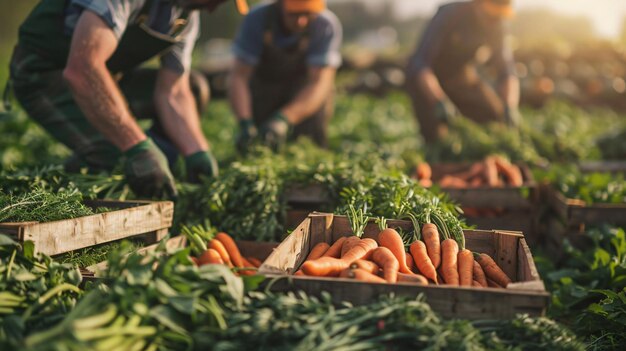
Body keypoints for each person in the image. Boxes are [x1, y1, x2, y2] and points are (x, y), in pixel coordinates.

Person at [8, 0, 250, 199]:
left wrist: (198, 152)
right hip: (43, 75)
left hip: (104, 78)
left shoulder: (184, 18)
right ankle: (63, 193)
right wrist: (135, 145)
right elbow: (82, 68)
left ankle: (157, 172)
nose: (213, 8)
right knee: (115, 153)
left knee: (194, 87)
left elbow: (174, 92)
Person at [228, 0, 342, 152]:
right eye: (294, 14)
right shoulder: (257, 19)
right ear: (279, 5)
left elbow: (319, 83)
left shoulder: (325, 25)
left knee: (308, 148)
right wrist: (244, 122)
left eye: (307, 14)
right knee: (261, 145)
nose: (301, 22)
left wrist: (283, 119)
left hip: (305, 93)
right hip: (265, 88)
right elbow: (239, 77)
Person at [405, 0, 520, 144]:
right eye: (490, 16)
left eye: (498, 17)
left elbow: (507, 70)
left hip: (460, 76)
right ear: (478, 4)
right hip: (428, 80)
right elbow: (421, 63)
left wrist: (510, 105)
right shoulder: (450, 14)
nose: (494, 21)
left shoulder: (498, 25)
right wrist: (438, 100)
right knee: (437, 139)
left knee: (494, 115)